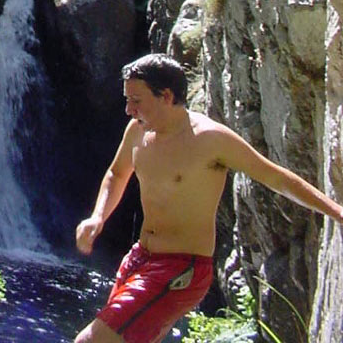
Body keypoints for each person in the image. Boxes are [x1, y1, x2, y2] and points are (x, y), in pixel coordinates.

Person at [74, 53, 343, 343]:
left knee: (91, 341)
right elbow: (117, 174)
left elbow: (277, 179)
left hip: (182, 269)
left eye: (136, 100)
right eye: (127, 100)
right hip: (140, 258)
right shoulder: (137, 131)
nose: (129, 110)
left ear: (166, 96)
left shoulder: (211, 140)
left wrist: (337, 212)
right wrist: (98, 217)